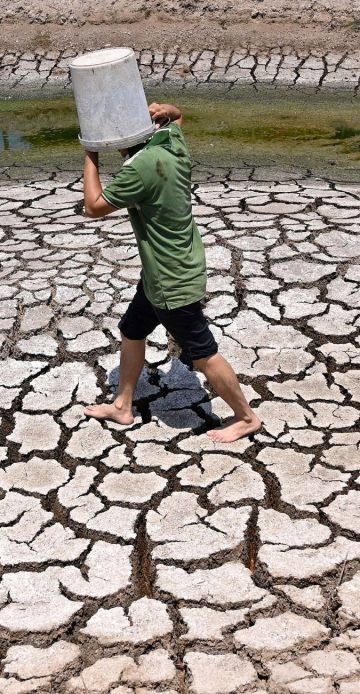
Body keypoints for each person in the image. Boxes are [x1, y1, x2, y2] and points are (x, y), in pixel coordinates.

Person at [80, 102, 261, 443]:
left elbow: (93, 206)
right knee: (133, 330)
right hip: (171, 268)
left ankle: (246, 417)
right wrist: (170, 110)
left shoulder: (141, 169)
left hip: (170, 281)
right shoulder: (171, 144)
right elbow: (178, 117)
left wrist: (90, 153)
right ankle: (123, 404)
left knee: (203, 354)